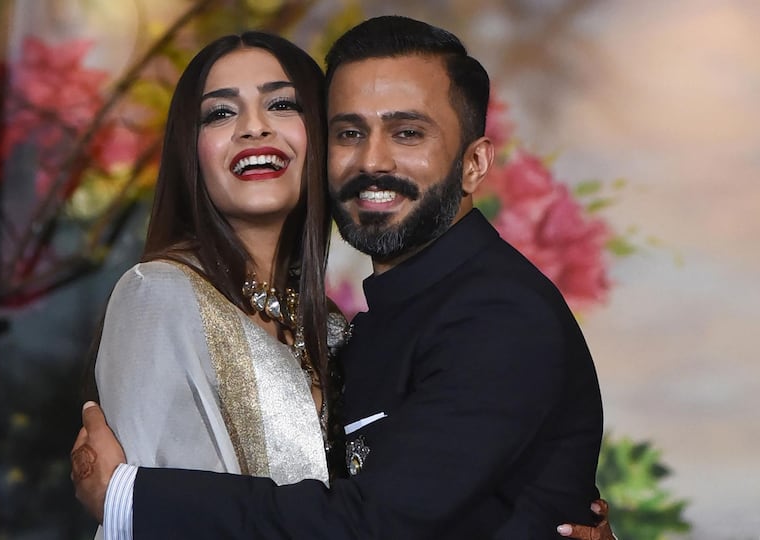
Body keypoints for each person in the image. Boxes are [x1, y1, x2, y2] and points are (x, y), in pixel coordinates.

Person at [74, 16, 617, 539]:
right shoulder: (353, 329)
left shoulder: (497, 314)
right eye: (350, 132)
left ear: (474, 163)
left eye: (408, 132)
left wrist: (131, 497)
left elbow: (371, 526)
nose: (372, 160)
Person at [80, 31, 348, 538]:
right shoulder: (157, 295)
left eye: (282, 104)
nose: (254, 127)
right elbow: (152, 517)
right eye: (220, 114)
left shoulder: (331, 328)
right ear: (191, 153)